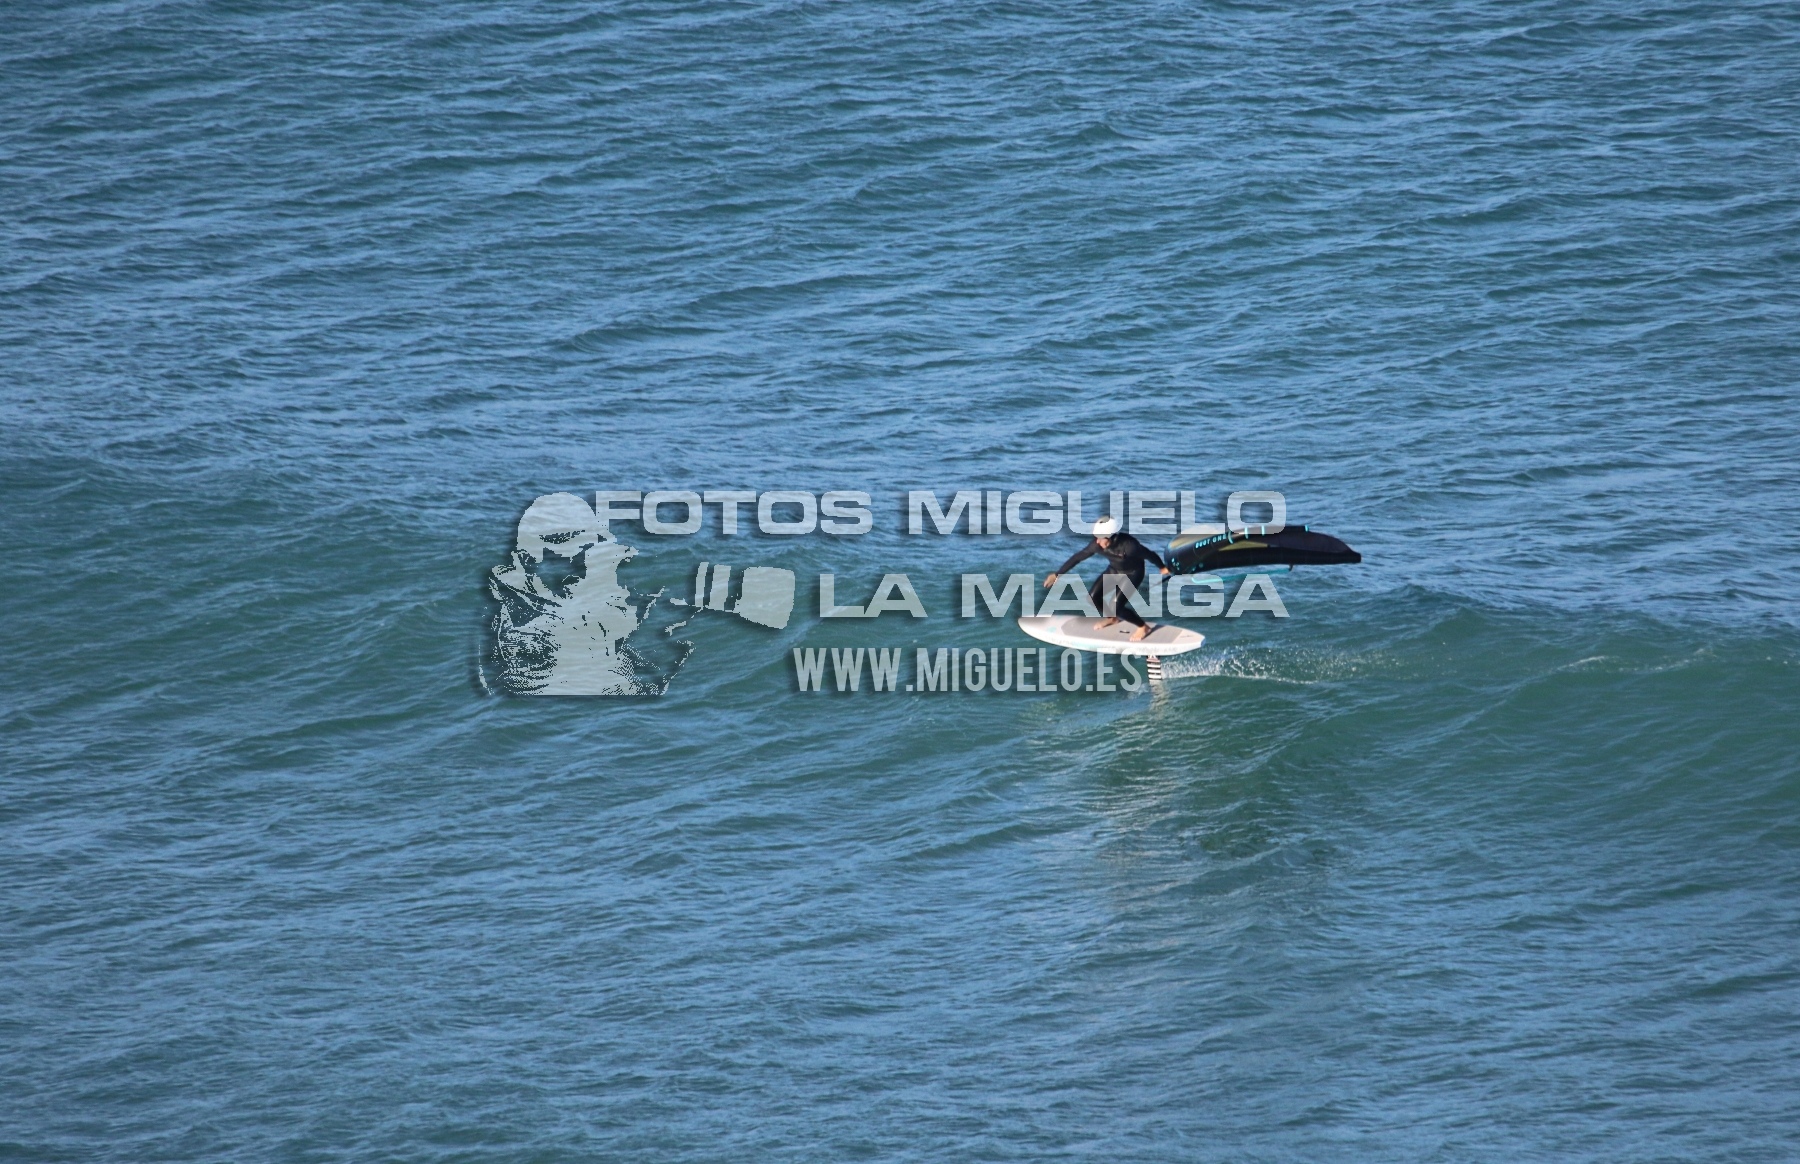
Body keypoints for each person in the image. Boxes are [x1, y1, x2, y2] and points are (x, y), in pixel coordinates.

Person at [1044, 514, 1171, 641]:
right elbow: (1078, 557)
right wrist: (1057, 574)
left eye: (1100, 538)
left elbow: (1150, 555)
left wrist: (1162, 567)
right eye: (1096, 537)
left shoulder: (1130, 546)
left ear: (1111, 537)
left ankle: (1143, 627)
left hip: (1133, 573)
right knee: (1093, 597)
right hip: (1114, 570)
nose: (1097, 541)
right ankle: (1112, 618)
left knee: (1116, 606)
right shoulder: (1097, 545)